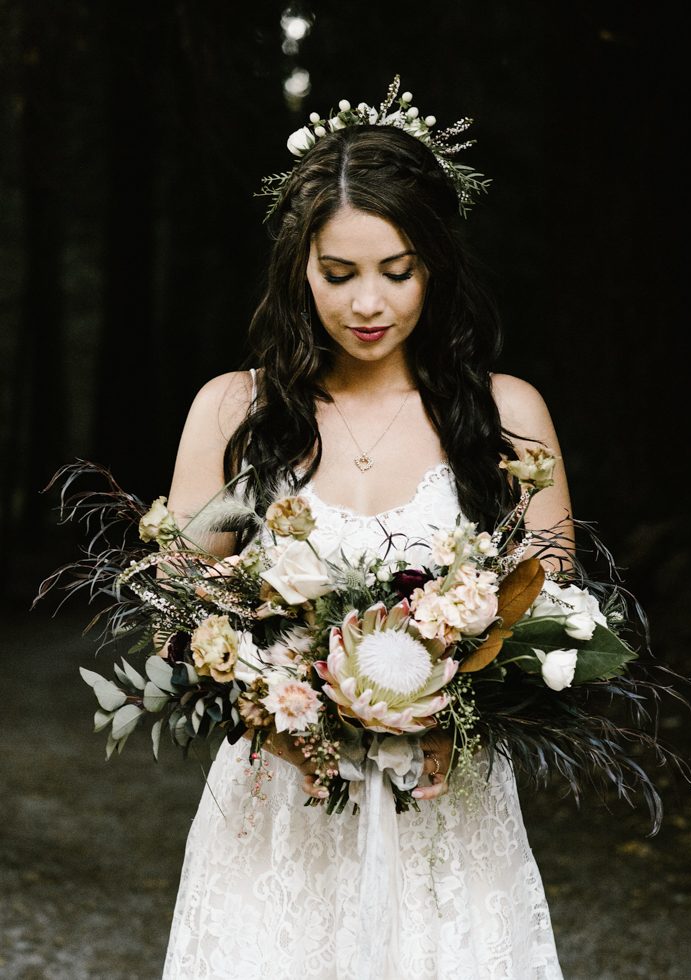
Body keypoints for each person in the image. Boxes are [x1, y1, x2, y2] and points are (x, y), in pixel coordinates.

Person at [162, 86, 572, 979]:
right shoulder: (234, 411)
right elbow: (179, 613)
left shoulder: (505, 414)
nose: (368, 303)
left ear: (439, 262)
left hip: (445, 810)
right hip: (277, 806)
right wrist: (280, 721)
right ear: (297, 268)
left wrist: (454, 721)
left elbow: (557, 616)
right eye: (338, 273)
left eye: (398, 268)